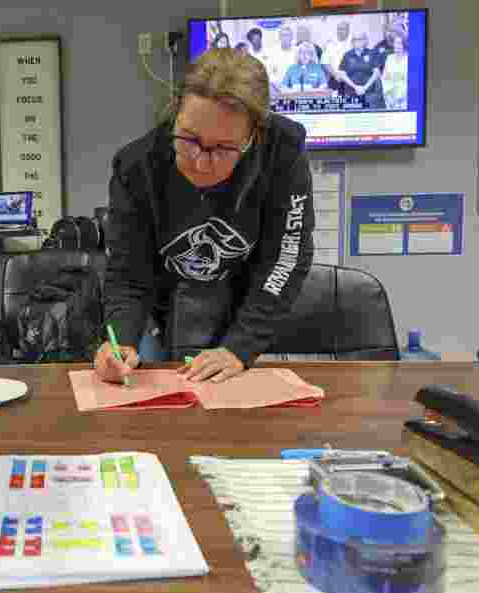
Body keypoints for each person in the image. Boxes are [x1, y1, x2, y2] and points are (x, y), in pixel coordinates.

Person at [95, 48, 315, 385]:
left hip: (251, 307)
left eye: (223, 148)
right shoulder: (136, 166)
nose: (200, 163)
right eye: (189, 140)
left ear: (253, 135)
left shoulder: (282, 153)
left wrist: (240, 347)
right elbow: (128, 273)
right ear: (175, 111)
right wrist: (120, 341)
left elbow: (284, 258)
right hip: (166, 309)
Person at [338, 31, 384, 109]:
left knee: (369, 118)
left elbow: (377, 73)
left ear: (365, 41)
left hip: (369, 94)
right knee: (352, 118)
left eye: (360, 39)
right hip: (351, 93)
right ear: (352, 42)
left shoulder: (372, 53)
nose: (357, 42)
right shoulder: (347, 55)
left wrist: (365, 88)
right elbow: (342, 73)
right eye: (354, 40)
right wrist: (355, 87)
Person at [321, 20, 352, 93]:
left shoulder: (353, 42)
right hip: (335, 79)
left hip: (351, 79)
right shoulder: (330, 43)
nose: (340, 31)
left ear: (348, 30)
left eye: (343, 29)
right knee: (334, 102)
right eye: (338, 29)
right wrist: (335, 75)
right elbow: (324, 62)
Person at [381, 31, 409, 109]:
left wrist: (400, 98)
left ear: (404, 44)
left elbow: (409, 82)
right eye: (395, 43)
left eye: (399, 43)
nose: (396, 46)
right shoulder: (389, 58)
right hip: (390, 99)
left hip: (405, 99)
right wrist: (388, 96)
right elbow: (384, 79)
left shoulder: (409, 59)